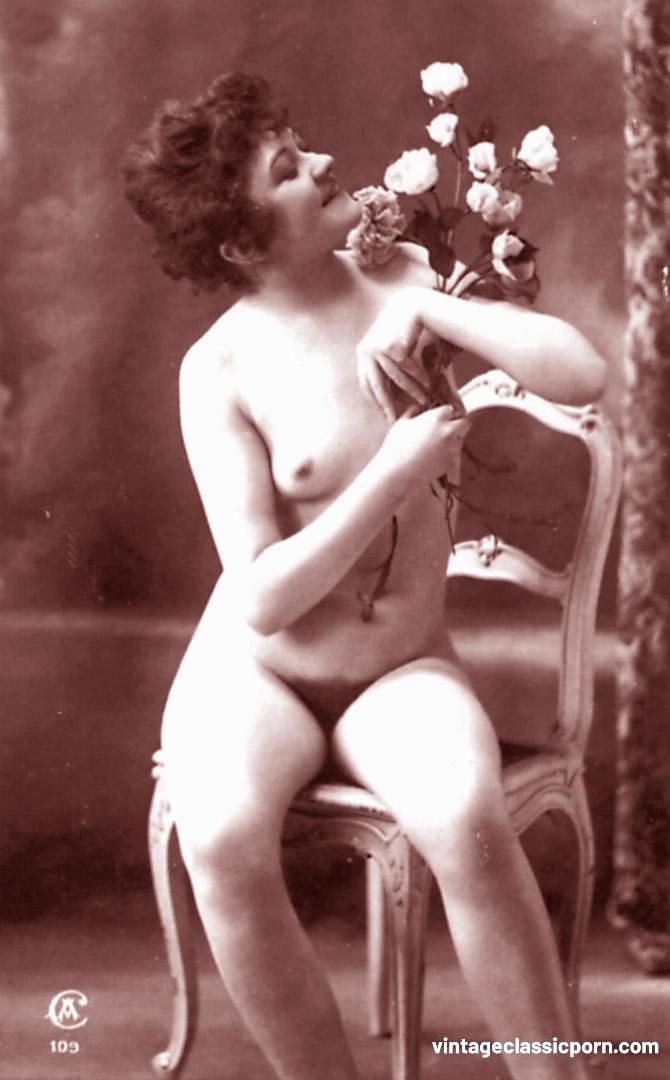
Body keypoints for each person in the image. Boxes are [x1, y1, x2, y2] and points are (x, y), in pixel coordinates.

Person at [123, 72, 605, 1080]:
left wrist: (438, 310)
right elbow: (261, 596)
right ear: (243, 244)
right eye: (289, 168)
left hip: (400, 669)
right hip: (255, 674)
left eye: (300, 142)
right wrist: (391, 473)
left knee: (466, 817)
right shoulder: (218, 370)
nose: (324, 162)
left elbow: (580, 373)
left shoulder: (409, 276)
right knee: (220, 837)